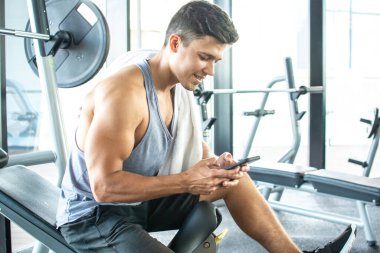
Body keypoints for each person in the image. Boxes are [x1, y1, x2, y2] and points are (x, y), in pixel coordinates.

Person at [56, 1, 357, 252]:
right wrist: (188, 181)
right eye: (204, 57)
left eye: (216, 61)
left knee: (234, 182)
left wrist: (213, 167)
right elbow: (104, 187)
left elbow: (186, 148)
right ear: (175, 43)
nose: (211, 71)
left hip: (139, 203)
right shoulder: (124, 93)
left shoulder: (176, 89)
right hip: (94, 217)